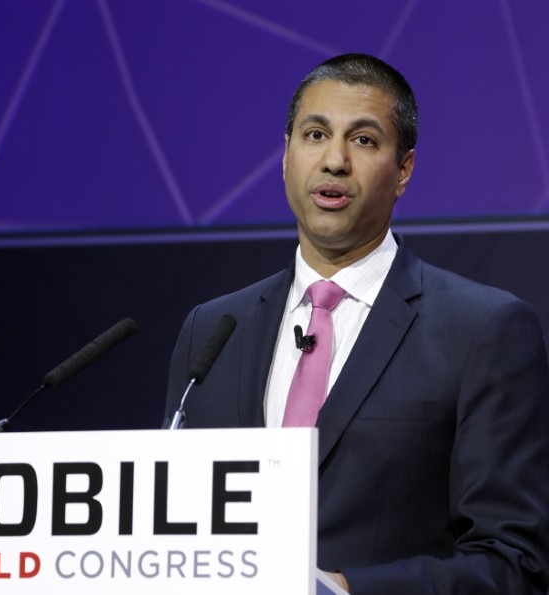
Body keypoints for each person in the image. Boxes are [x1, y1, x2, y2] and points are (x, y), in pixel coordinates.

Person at [164, 53, 549, 594]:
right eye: (315, 134)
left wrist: (343, 591)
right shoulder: (212, 330)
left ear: (404, 170)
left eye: (364, 140)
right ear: (286, 156)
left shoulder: (483, 330)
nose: (335, 160)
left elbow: (513, 565)